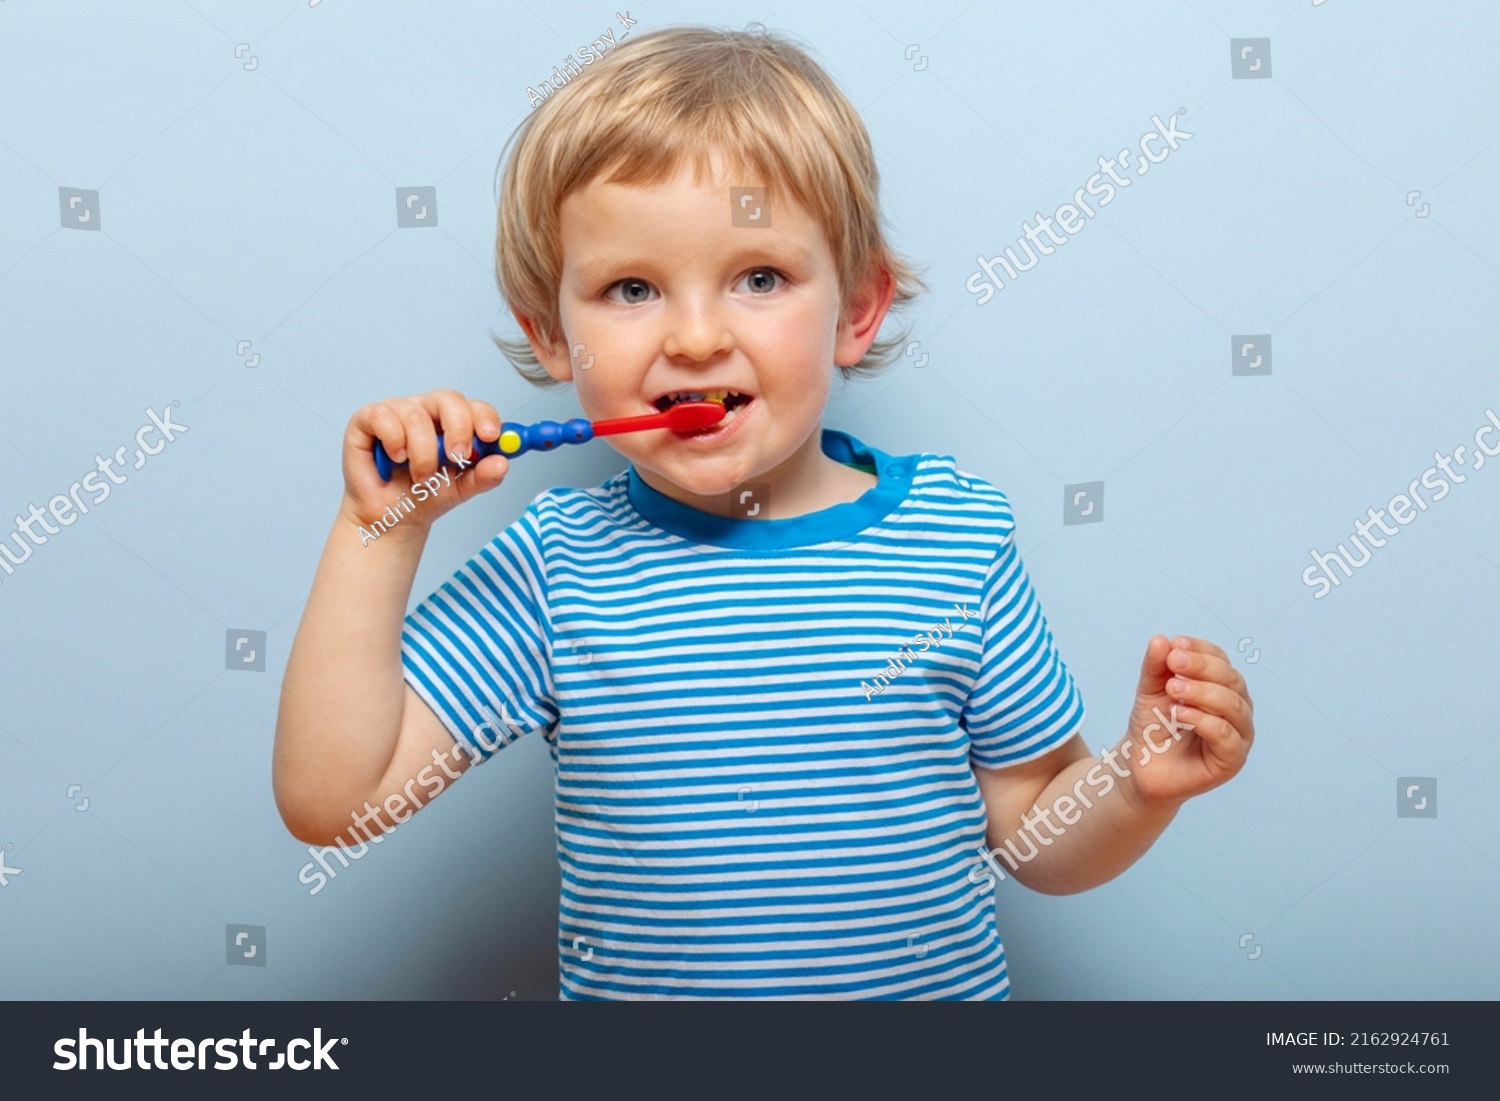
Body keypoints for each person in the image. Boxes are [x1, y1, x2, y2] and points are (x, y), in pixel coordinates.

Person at [273, 24, 1255, 999]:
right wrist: (380, 535)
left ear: (857, 312)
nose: (696, 337)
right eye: (630, 287)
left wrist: (1133, 783)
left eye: (758, 278)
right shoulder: (555, 568)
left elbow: (1036, 827)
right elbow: (336, 803)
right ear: (553, 335)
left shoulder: (957, 539)